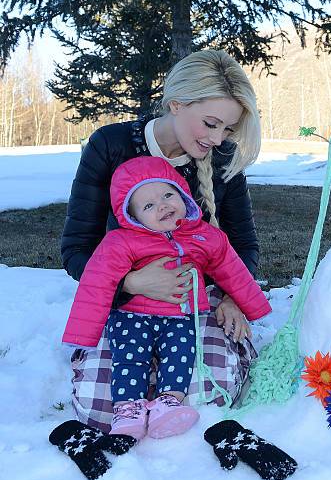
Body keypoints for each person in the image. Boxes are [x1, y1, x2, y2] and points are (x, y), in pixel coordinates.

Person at [61, 49, 264, 432]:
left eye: (228, 129)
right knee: (99, 408)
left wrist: (234, 296)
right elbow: (75, 249)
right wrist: (130, 283)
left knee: (209, 397)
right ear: (175, 104)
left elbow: (242, 245)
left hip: (196, 303)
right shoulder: (111, 144)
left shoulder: (222, 157)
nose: (218, 138)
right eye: (210, 123)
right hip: (125, 303)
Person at [62, 156, 271, 440]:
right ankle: (127, 410)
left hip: (180, 315)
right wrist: (83, 335)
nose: (162, 205)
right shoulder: (120, 242)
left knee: (181, 356)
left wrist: (253, 306)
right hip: (132, 316)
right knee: (130, 359)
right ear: (133, 216)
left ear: (183, 194)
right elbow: (96, 284)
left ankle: (168, 403)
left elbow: (230, 268)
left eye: (168, 194)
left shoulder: (203, 236)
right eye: (148, 205)